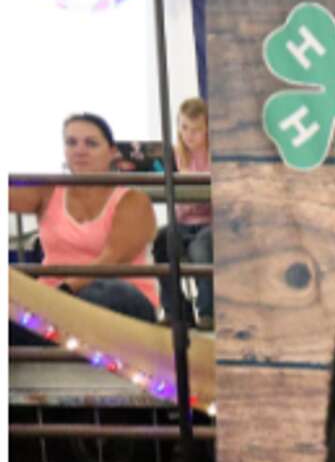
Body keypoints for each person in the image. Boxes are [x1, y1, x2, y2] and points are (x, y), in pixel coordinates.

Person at [8, 113, 160, 344]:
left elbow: (112, 260)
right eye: (71, 142)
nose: (80, 150)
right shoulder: (48, 191)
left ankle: (46, 330)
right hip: (54, 300)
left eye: (91, 143)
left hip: (116, 295)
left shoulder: (133, 200)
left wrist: (63, 292)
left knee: (101, 293)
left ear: (112, 152)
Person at [157, 97, 215, 324]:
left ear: (208, 130)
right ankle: (175, 310)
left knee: (201, 248)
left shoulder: (216, 156)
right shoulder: (172, 155)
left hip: (210, 223)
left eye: (197, 129)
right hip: (182, 224)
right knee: (162, 240)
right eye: (184, 128)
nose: (189, 135)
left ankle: (207, 311)